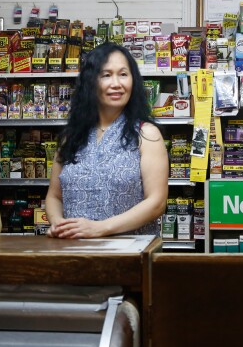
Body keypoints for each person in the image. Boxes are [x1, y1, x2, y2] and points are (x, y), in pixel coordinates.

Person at [46, 43, 169, 238]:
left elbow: (156, 203)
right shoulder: (73, 136)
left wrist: (99, 228)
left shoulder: (147, 134)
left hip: (129, 255)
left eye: (123, 74)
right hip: (74, 252)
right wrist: (58, 223)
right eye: (106, 75)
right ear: (91, 82)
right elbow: (54, 196)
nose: (116, 83)